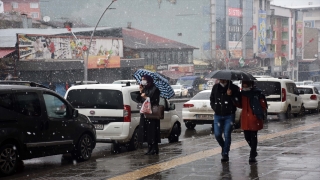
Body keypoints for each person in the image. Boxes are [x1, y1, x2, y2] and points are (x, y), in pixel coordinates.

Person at [210, 79, 241, 162]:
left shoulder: (234, 88)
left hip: (229, 115)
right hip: (218, 115)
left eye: (223, 79)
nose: (222, 80)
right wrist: (214, 107)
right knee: (217, 135)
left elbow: (238, 101)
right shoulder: (215, 87)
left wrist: (231, 95)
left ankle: (225, 154)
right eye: (220, 78)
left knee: (227, 134)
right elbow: (212, 99)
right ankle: (224, 148)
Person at [239, 81, 267, 162]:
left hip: (254, 118)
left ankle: (252, 156)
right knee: (247, 137)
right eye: (243, 85)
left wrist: (257, 113)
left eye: (246, 85)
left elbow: (263, 105)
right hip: (245, 118)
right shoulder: (242, 94)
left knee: (253, 136)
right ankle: (254, 151)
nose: (244, 87)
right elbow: (240, 105)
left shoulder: (257, 93)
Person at [136, 75, 161, 155]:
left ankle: (154, 148)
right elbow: (138, 100)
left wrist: (147, 97)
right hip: (145, 113)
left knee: (153, 131)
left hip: (152, 114)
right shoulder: (145, 88)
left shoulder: (155, 89)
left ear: (148, 80)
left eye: (144, 79)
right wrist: (141, 91)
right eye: (142, 79)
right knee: (146, 131)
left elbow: (155, 101)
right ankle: (150, 148)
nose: (142, 81)